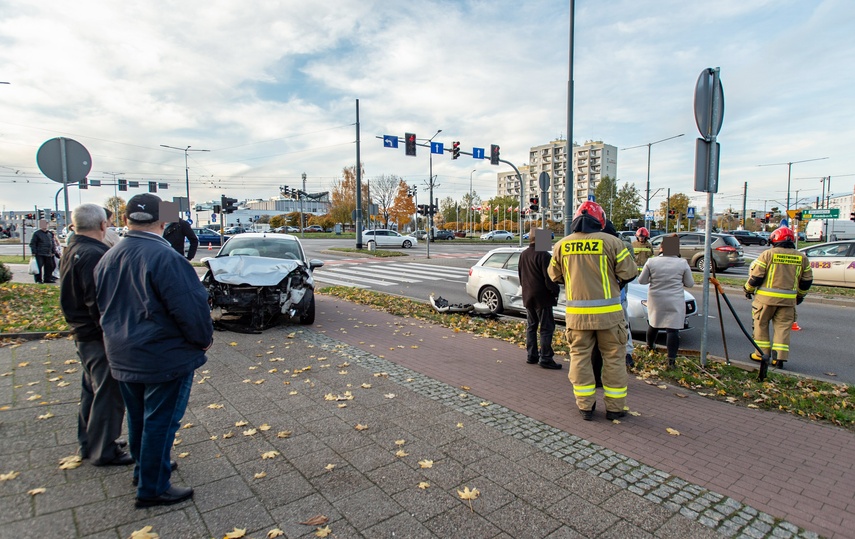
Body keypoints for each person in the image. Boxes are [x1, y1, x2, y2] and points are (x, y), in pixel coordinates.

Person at [95, 194, 213, 508]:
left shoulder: (108, 256)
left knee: (138, 418)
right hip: (163, 355)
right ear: (163, 222)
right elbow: (190, 308)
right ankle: (153, 487)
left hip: (121, 351)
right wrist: (203, 340)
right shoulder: (167, 258)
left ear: (124, 220)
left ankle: (144, 469)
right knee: (162, 420)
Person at [548, 201, 638, 421]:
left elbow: (554, 276)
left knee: (579, 358)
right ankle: (615, 408)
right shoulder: (613, 242)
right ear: (601, 221)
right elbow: (630, 273)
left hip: (577, 317)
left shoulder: (562, 245)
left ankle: (585, 407)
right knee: (614, 359)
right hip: (610, 316)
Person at [58, 204, 130, 466]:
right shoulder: (94, 254)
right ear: (103, 225)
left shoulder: (73, 249)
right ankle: (104, 450)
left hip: (83, 333)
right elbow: (99, 303)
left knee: (92, 389)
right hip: (97, 336)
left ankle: (90, 441)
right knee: (108, 393)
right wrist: (114, 336)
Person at [744, 226, 812, 367]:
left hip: (765, 301)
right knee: (783, 328)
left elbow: (756, 277)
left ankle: (761, 354)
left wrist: (748, 289)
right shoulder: (802, 258)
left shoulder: (768, 255)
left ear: (774, 240)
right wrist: (800, 296)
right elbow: (806, 281)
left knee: (760, 325)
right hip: (788, 302)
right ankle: (779, 358)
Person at [638, 236, 694, 369]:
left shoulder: (651, 262)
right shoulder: (682, 263)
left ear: (661, 248)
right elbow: (690, 283)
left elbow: (642, 281)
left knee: (654, 324)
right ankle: (671, 360)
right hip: (675, 300)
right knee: (672, 329)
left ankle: (650, 346)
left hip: (656, 299)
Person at [518, 228, 562, 369]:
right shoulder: (544, 255)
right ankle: (546, 358)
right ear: (540, 239)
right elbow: (549, 279)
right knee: (546, 328)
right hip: (542, 297)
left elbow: (521, 275)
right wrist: (555, 291)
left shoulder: (524, 254)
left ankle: (532, 355)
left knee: (531, 326)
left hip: (528, 295)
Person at [29, 219, 58, 283]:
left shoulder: (50, 233)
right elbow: (33, 244)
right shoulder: (37, 234)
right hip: (39, 253)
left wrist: (53, 251)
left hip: (48, 253)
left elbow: (52, 243)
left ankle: (47, 279)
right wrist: (34, 252)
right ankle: (38, 280)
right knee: (38, 267)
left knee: (50, 266)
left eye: (46, 224)